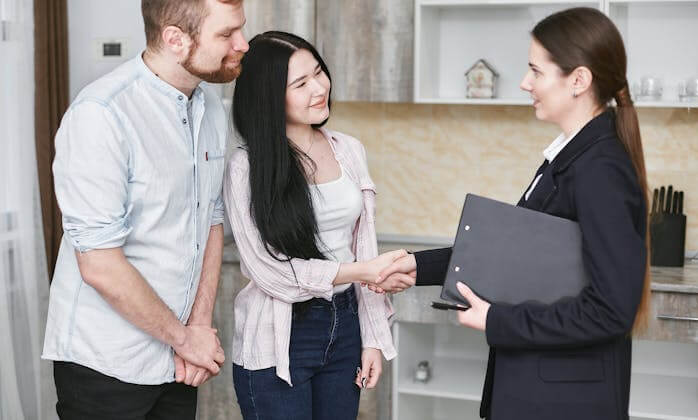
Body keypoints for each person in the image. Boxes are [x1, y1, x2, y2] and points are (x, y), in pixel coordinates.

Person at [376, 7, 650, 420]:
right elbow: (513, 257)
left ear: (578, 80)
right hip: (543, 391)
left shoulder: (600, 170)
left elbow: (611, 311)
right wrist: (417, 266)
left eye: (536, 71)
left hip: (566, 401)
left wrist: (498, 320)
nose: (525, 83)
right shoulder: (570, 158)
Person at [42, 1, 249, 418]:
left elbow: (209, 217)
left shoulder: (209, 107)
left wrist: (197, 326)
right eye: (226, 35)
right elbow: (100, 264)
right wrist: (186, 340)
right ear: (175, 39)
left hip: (176, 360)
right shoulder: (101, 115)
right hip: (106, 364)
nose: (242, 44)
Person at [224, 31, 402, 420]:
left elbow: (364, 247)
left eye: (319, 73)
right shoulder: (247, 167)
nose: (319, 88)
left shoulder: (349, 150)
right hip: (280, 335)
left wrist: (372, 338)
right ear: (269, 96)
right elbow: (269, 272)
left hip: (346, 324)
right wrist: (359, 272)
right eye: (300, 83)